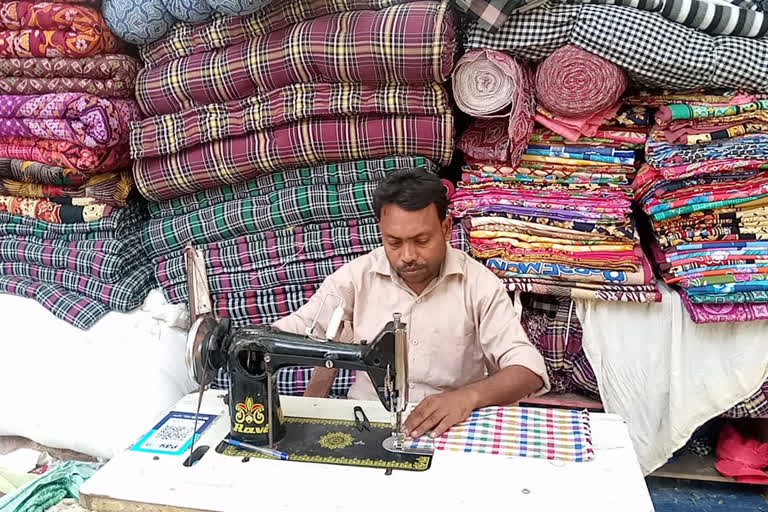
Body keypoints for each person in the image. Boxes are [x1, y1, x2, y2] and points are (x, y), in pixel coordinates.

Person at [272, 167, 549, 439]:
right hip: (367, 422)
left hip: (450, 426)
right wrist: (253, 342)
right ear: (381, 233)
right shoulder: (356, 279)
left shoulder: (479, 286)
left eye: (421, 240)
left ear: (446, 228)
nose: (408, 255)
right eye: (394, 242)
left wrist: (468, 397)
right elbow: (299, 329)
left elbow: (528, 370)